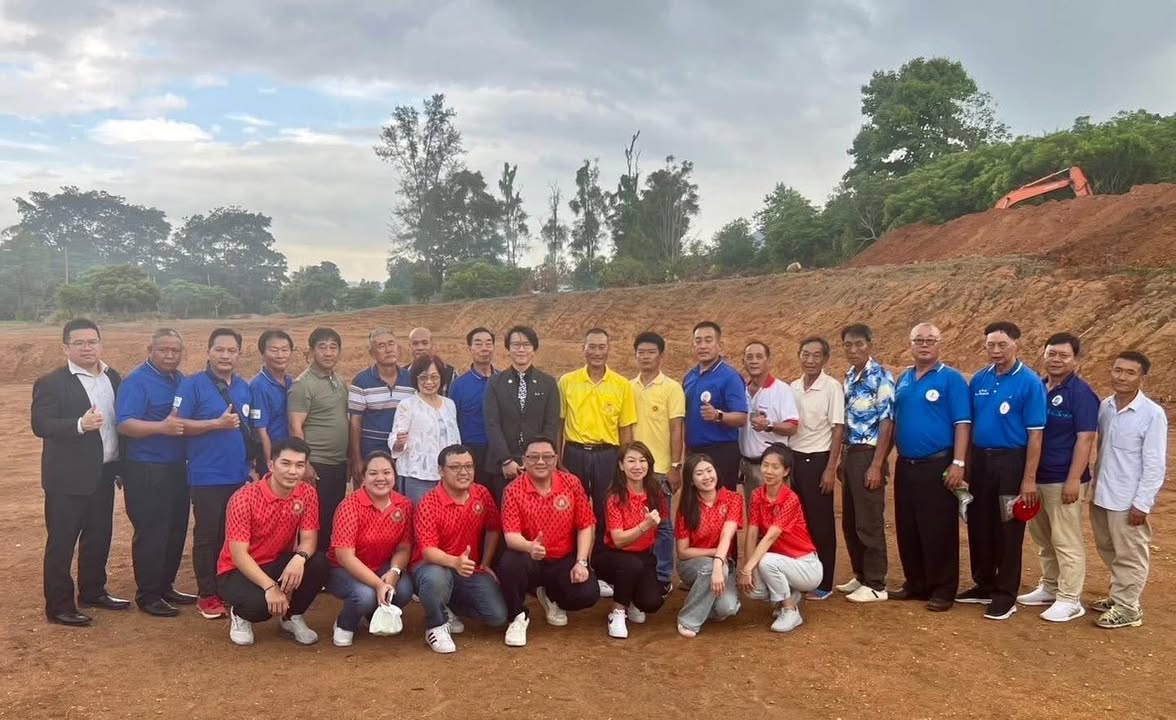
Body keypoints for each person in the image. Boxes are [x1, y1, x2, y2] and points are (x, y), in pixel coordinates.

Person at [32, 318, 129, 626]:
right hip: (67, 478)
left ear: (100, 344)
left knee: (99, 536)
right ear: (66, 348)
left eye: (92, 342)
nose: (87, 348)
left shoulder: (112, 377)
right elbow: (41, 424)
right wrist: (79, 424)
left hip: (104, 472)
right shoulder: (51, 382)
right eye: (79, 343)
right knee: (62, 542)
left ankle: (93, 591)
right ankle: (59, 606)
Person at [962, 321, 1047, 621]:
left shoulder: (1030, 382)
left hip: (1012, 463)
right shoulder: (980, 379)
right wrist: (967, 465)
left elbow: (1035, 435)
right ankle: (984, 583)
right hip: (981, 461)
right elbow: (971, 424)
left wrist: (1029, 479)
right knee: (979, 523)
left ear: (1015, 345)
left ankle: (1005, 594)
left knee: (1009, 528)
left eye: (1002, 345)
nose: (996, 350)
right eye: (991, 345)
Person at [1017, 333, 1099, 622]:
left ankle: (1070, 598)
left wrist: (1074, 479)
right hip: (1035, 478)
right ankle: (1050, 587)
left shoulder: (1082, 394)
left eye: (1063, 355)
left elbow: (1085, 439)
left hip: (1063, 479)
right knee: (1043, 537)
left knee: (1066, 540)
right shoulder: (1038, 387)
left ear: (1075, 359)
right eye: (1051, 353)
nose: (1056, 359)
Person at [217, 438, 330, 646]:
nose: (292, 471)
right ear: (271, 465)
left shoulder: (307, 492)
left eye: (299, 465)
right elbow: (239, 555)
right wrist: (271, 588)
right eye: (285, 463)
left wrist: (299, 558)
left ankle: (291, 616)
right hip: (237, 570)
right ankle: (240, 615)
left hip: (276, 560)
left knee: (319, 563)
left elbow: (309, 538)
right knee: (260, 607)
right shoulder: (243, 498)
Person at [890, 323, 971, 613]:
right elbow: (894, 421)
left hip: (938, 464)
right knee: (908, 526)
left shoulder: (951, 379)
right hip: (906, 465)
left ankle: (943, 588)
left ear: (939, 345)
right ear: (910, 345)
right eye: (919, 340)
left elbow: (962, 423)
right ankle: (916, 583)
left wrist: (958, 463)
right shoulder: (903, 379)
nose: (924, 345)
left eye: (930, 340)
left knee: (938, 528)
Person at [175, 327, 254, 620]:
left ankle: (226, 588)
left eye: (231, 350)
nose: (225, 355)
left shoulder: (244, 387)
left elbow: (250, 430)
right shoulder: (192, 385)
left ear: (239, 354)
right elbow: (177, 424)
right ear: (208, 351)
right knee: (207, 536)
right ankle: (207, 594)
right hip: (206, 475)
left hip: (238, 476)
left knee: (232, 537)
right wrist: (215, 424)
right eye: (219, 349)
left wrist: (252, 467)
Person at [115, 328, 194, 617]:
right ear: (150, 350)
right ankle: (148, 595)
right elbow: (125, 424)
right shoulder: (137, 382)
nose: (170, 355)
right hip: (147, 468)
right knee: (152, 531)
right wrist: (162, 427)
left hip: (177, 467)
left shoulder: (180, 379)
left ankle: (165, 586)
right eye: (164, 350)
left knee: (175, 529)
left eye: (176, 350)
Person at [1089, 351, 1167, 629]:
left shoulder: (1152, 414)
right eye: (1118, 370)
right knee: (1107, 547)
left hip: (1128, 499)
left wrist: (1142, 504)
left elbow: (1155, 463)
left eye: (1130, 372)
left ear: (1142, 378)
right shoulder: (1105, 407)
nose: (1121, 377)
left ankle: (1128, 608)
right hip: (1101, 494)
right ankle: (1119, 595)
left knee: (1130, 553)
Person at [498, 436, 600, 644]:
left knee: (587, 594)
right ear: (524, 461)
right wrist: (529, 546)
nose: (540, 462)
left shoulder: (571, 483)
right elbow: (510, 536)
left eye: (547, 456)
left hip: (563, 559)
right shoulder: (512, 490)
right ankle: (518, 616)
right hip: (530, 559)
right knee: (510, 562)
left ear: (555, 459)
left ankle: (550, 596)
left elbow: (585, 525)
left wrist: (581, 562)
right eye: (534, 457)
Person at [412, 445, 510, 654]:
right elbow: (428, 551)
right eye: (455, 467)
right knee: (436, 577)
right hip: (432, 565)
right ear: (441, 470)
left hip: (467, 568)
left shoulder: (481, 493)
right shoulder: (428, 502)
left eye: (468, 466)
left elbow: (494, 528)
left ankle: (447, 605)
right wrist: (454, 562)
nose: (463, 472)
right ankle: (436, 625)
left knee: (497, 616)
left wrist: (485, 563)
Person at [558, 328, 638, 563]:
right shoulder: (567, 382)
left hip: (608, 456)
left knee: (606, 509)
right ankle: (572, 562)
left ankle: (603, 563)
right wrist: (557, 459)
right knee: (572, 508)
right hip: (574, 453)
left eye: (602, 347)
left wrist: (625, 462)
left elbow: (625, 429)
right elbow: (559, 423)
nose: (596, 352)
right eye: (591, 347)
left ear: (608, 349)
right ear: (583, 349)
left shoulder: (621, 385)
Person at [326, 451, 414, 647]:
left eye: (386, 472)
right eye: (373, 473)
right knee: (364, 595)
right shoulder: (349, 506)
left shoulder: (404, 505)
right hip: (342, 569)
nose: (380, 478)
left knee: (404, 589)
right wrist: (378, 584)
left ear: (394, 475)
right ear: (363, 478)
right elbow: (345, 556)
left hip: (381, 565)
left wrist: (394, 571)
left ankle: (371, 614)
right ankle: (345, 623)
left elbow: (404, 546)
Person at [837, 323, 895, 603]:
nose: (853, 349)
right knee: (851, 521)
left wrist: (877, 464)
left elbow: (887, 422)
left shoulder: (881, 376)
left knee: (869, 521)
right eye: (848, 345)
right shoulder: (849, 377)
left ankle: (876, 584)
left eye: (859, 344)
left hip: (869, 455)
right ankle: (860, 575)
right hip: (851, 453)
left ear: (869, 345)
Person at [739, 444, 822, 632]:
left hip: (806, 566)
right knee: (754, 590)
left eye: (775, 467)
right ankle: (790, 594)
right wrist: (747, 568)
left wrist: (750, 567)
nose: (768, 471)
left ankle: (790, 610)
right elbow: (752, 531)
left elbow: (769, 537)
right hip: (782, 561)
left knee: (766, 561)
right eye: (765, 465)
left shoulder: (790, 498)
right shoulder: (757, 495)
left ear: (786, 471)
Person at [787, 336, 845, 601]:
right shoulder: (793, 387)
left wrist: (830, 468)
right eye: (805, 354)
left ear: (825, 359)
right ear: (799, 355)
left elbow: (838, 429)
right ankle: (804, 575)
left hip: (818, 461)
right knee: (799, 523)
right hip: (794, 461)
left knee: (821, 523)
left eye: (816, 355)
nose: (810, 360)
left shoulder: (832, 387)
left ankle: (825, 582)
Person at [630, 331, 686, 595]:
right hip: (633, 469)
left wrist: (675, 466)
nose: (646, 357)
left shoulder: (672, 388)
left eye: (651, 352)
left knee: (662, 524)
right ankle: (638, 572)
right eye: (641, 352)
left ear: (661, 356)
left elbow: (676, 428)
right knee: (634, 522)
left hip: (661, 470)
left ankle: (663, 575)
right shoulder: (628, 387)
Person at [594, 442, 667, 638]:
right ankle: (617, 612)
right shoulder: (614, 496)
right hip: (613, 555)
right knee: (630, 565)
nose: (637, 466)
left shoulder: (656, 493)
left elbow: (662, 526)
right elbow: (618, 540)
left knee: (652, 603)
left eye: (642, 461)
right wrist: (644, 526)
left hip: (643, 556)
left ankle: (632, 595)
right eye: (631, 461)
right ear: (621, 465)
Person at [483, 325, 561, 503]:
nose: (521, 349)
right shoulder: (495, 382)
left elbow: (551, 424)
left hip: (538, 464)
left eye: (526, 345)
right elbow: (492, 423)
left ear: (534, 349)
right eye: (516, 345)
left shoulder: (548, 383)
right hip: (503, 465)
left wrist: (537, 459)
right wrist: (506, 460)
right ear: (508, 349)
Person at [289, 327, 350, 550]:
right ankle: (309, 566)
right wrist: (305, 464)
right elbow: (295, 426)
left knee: (333, 518)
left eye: (333, 347)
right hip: (317, 464)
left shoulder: (339, 381)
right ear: (311, 351)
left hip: (337, 463)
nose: (328, 352)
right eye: (322, 347)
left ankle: (327, 565)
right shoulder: (302, 384)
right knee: (313, 522)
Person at [675, 453, 742, 638]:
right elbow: (682, 552)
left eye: (709, 470)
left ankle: (701, 593)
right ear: (691, 481)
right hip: (691, 564)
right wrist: (716, 558)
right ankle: (688, 620)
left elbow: (727, 535)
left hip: (723, 564)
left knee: (728, 608)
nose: (706, 477)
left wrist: (718, 563)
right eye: (699, 473)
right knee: (709, 567)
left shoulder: (733, 499)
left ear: (716, 472)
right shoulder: (686, 506)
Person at [683, 321, 748, 495]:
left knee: (722, 502)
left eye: (708, 340)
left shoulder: (730, 377)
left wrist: (718, 416)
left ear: (719, 345)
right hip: (694, 453)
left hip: (721, 452)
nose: (703, 346)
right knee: (695, 504)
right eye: (698, 341)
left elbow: (742, 418)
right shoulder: (689, 377)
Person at [391, 354, 462, 505]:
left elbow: (455, 439)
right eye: (423, 377)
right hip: (418, 477)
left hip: (448, 476)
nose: (429, 382)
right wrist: (398, 443)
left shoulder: (449, 405)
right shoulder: (407, 405)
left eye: (434, 377)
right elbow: (395, 439)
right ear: (415, 379)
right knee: (420, 516)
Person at [348, 329, 415, 488]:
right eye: (381, 346)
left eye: (391, 344)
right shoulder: (361, 381)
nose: (388, 349)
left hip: (402, 454)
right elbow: (355, 423)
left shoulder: (411, 380)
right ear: (372, 353)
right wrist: (356, 459)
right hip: (370, 453)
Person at [738, 340, 799, 510]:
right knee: (754, 517)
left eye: (759, 357)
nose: (754, 361)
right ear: (743, 362)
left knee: (776, 517)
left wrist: (769, 425)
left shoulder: (781, 390)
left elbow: (793, 427)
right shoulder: (741, 391)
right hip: (747, 466)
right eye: (749, 357)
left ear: (768, 361)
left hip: (772, 469)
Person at [449, 327, 499, 490]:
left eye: (488, 343)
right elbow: (453, 422)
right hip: (472, 452)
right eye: (478, 344)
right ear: (470, 348)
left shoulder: (504, 380)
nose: (484, 348)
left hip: (500, 451)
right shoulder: (459, 385)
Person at [248, 329, 294, 478]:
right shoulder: (258, 386)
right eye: (274, 350)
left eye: (284, 350)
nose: (280, 355)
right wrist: (271, 466)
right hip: (272, 457)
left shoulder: (291, 382)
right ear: (263, 354)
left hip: (291, 454)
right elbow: (261, 432)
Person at [408, 327, 456, 396]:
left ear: (432, 345)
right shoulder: (402, 374)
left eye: (425, 343)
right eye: (415, 343)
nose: (420, 348)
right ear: (409, 346)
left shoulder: (449, 372)